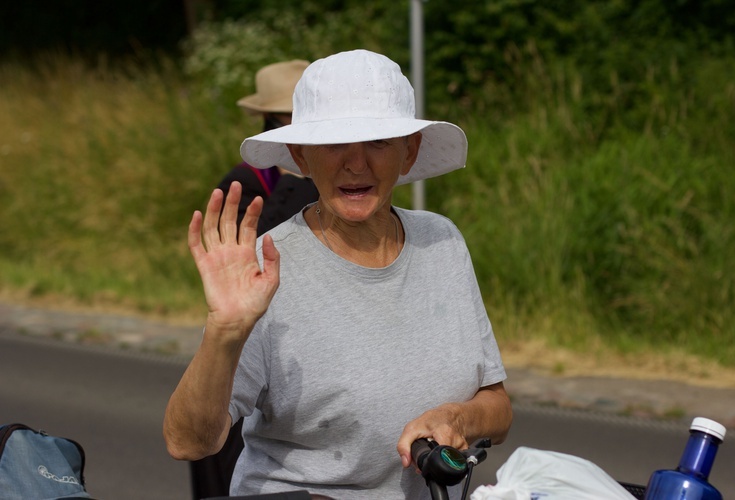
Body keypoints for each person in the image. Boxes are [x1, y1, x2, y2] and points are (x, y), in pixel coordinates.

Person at [164, 49, 513, 499]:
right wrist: (224, 331)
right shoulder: (266, 268)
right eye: (333, 144)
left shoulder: (442, 241)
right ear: (300, 156)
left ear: (410, 152)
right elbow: (188, 442)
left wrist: (459, 419)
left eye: (378, 142)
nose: (356, 163)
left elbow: (498, 408)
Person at [191, 59, 320, 500]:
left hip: (309, 330)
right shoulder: (246, 181)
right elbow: (255, 248)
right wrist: (296, 179)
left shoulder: (331, 173)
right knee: (228, 454)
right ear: (274, 119)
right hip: (252, 334)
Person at [216, 59, 319, 232]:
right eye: (292, 113)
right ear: (268, 118)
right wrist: (291, 182)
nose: (302, 119)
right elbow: (250, 243)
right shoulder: (244, 180)